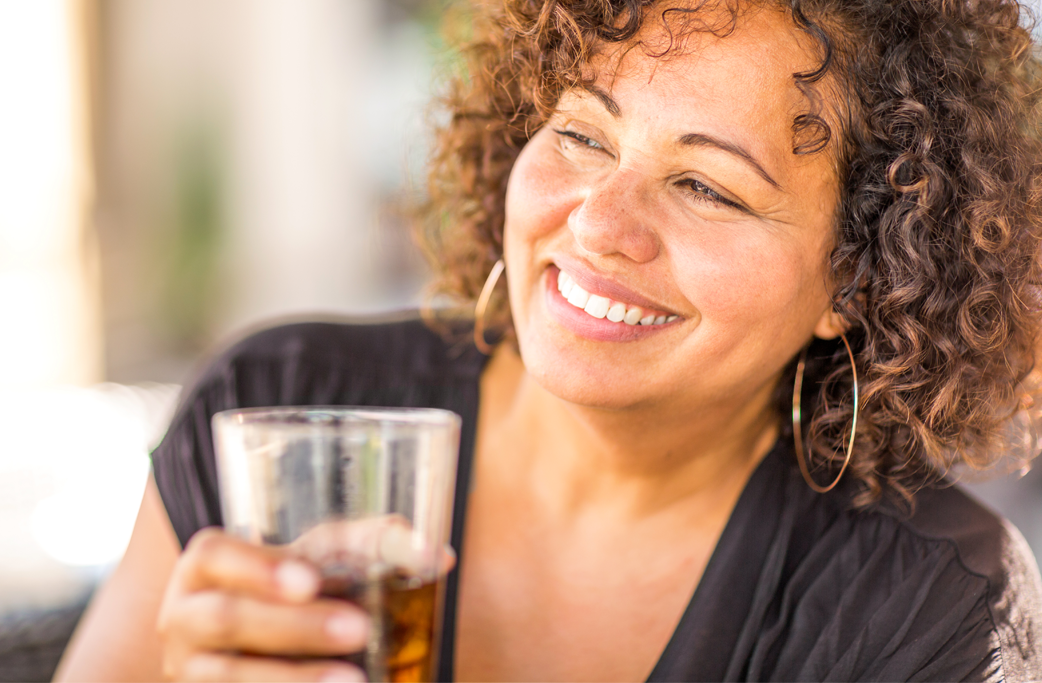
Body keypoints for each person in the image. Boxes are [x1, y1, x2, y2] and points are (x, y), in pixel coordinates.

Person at [55, 0, 1042, 680]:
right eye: (582, 135)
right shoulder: (275, 410)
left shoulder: (919, 602)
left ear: (858, 274)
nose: (602, 223)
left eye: (707, 186)